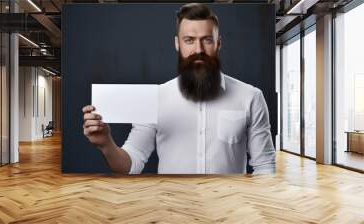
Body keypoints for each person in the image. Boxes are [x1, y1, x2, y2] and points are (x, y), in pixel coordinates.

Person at [82, 3, 275, 175]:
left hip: (228, 210)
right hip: (171, 209)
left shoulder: (251, 97)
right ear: (177, 44)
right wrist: (106, 144)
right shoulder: (155, 98)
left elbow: (265, 166)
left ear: (218, 43)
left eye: (207, 39)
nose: (198, 49)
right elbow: (132, 163)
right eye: (189, 40)